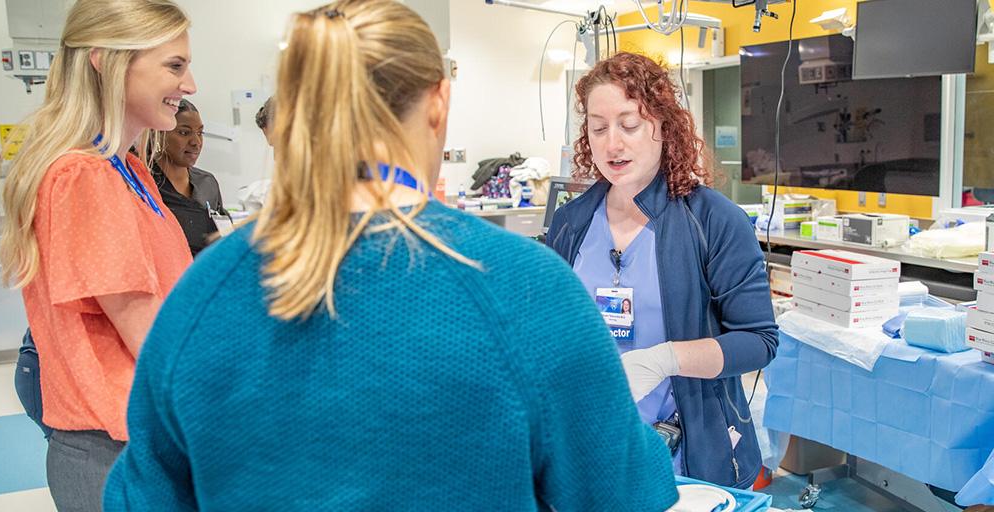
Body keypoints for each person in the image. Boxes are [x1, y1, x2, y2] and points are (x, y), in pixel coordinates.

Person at [103, 2, 679, 510]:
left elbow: (141, 495)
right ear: (438, 102)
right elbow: (623, 492)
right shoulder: (523, 289)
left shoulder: (206, 293)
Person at [546, 52, 778, 489]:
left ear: (663, 124)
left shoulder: (712, 221)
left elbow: (759, 341)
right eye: (598, 127)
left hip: (689, 455)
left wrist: (664, 360)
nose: (612, 144)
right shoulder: (572, 222)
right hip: (593, 448)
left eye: (629, 125)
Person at [0, 0, 195, 509]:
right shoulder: (84, 177)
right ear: (106, 60)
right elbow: (151, 338)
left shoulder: (129, 171)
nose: (190, 86)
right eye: (174, 66)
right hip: (112, 448)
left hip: (140, 440)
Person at [150, 98, 227, 255]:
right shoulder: (144, 184)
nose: (196, 142)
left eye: (200, 133)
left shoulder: (207, 183)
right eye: (184, 133)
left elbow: (223, 235)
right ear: (158, 134)